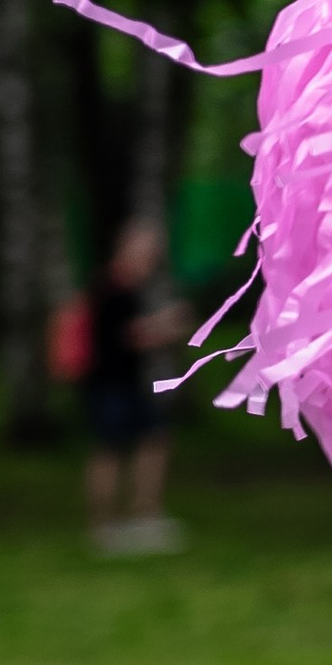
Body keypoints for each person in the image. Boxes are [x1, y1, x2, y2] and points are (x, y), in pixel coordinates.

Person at [83, 212, 189, 557]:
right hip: (108, 384)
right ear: (125, 248)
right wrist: (166, 327)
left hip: (128, 383)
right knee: (110, 452)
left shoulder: (128, 287)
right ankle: (103, 526)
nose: (150, 259)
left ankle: (144, 516)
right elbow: (127, 336)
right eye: (146, 251)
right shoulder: (111, 287)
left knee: (153, 443)